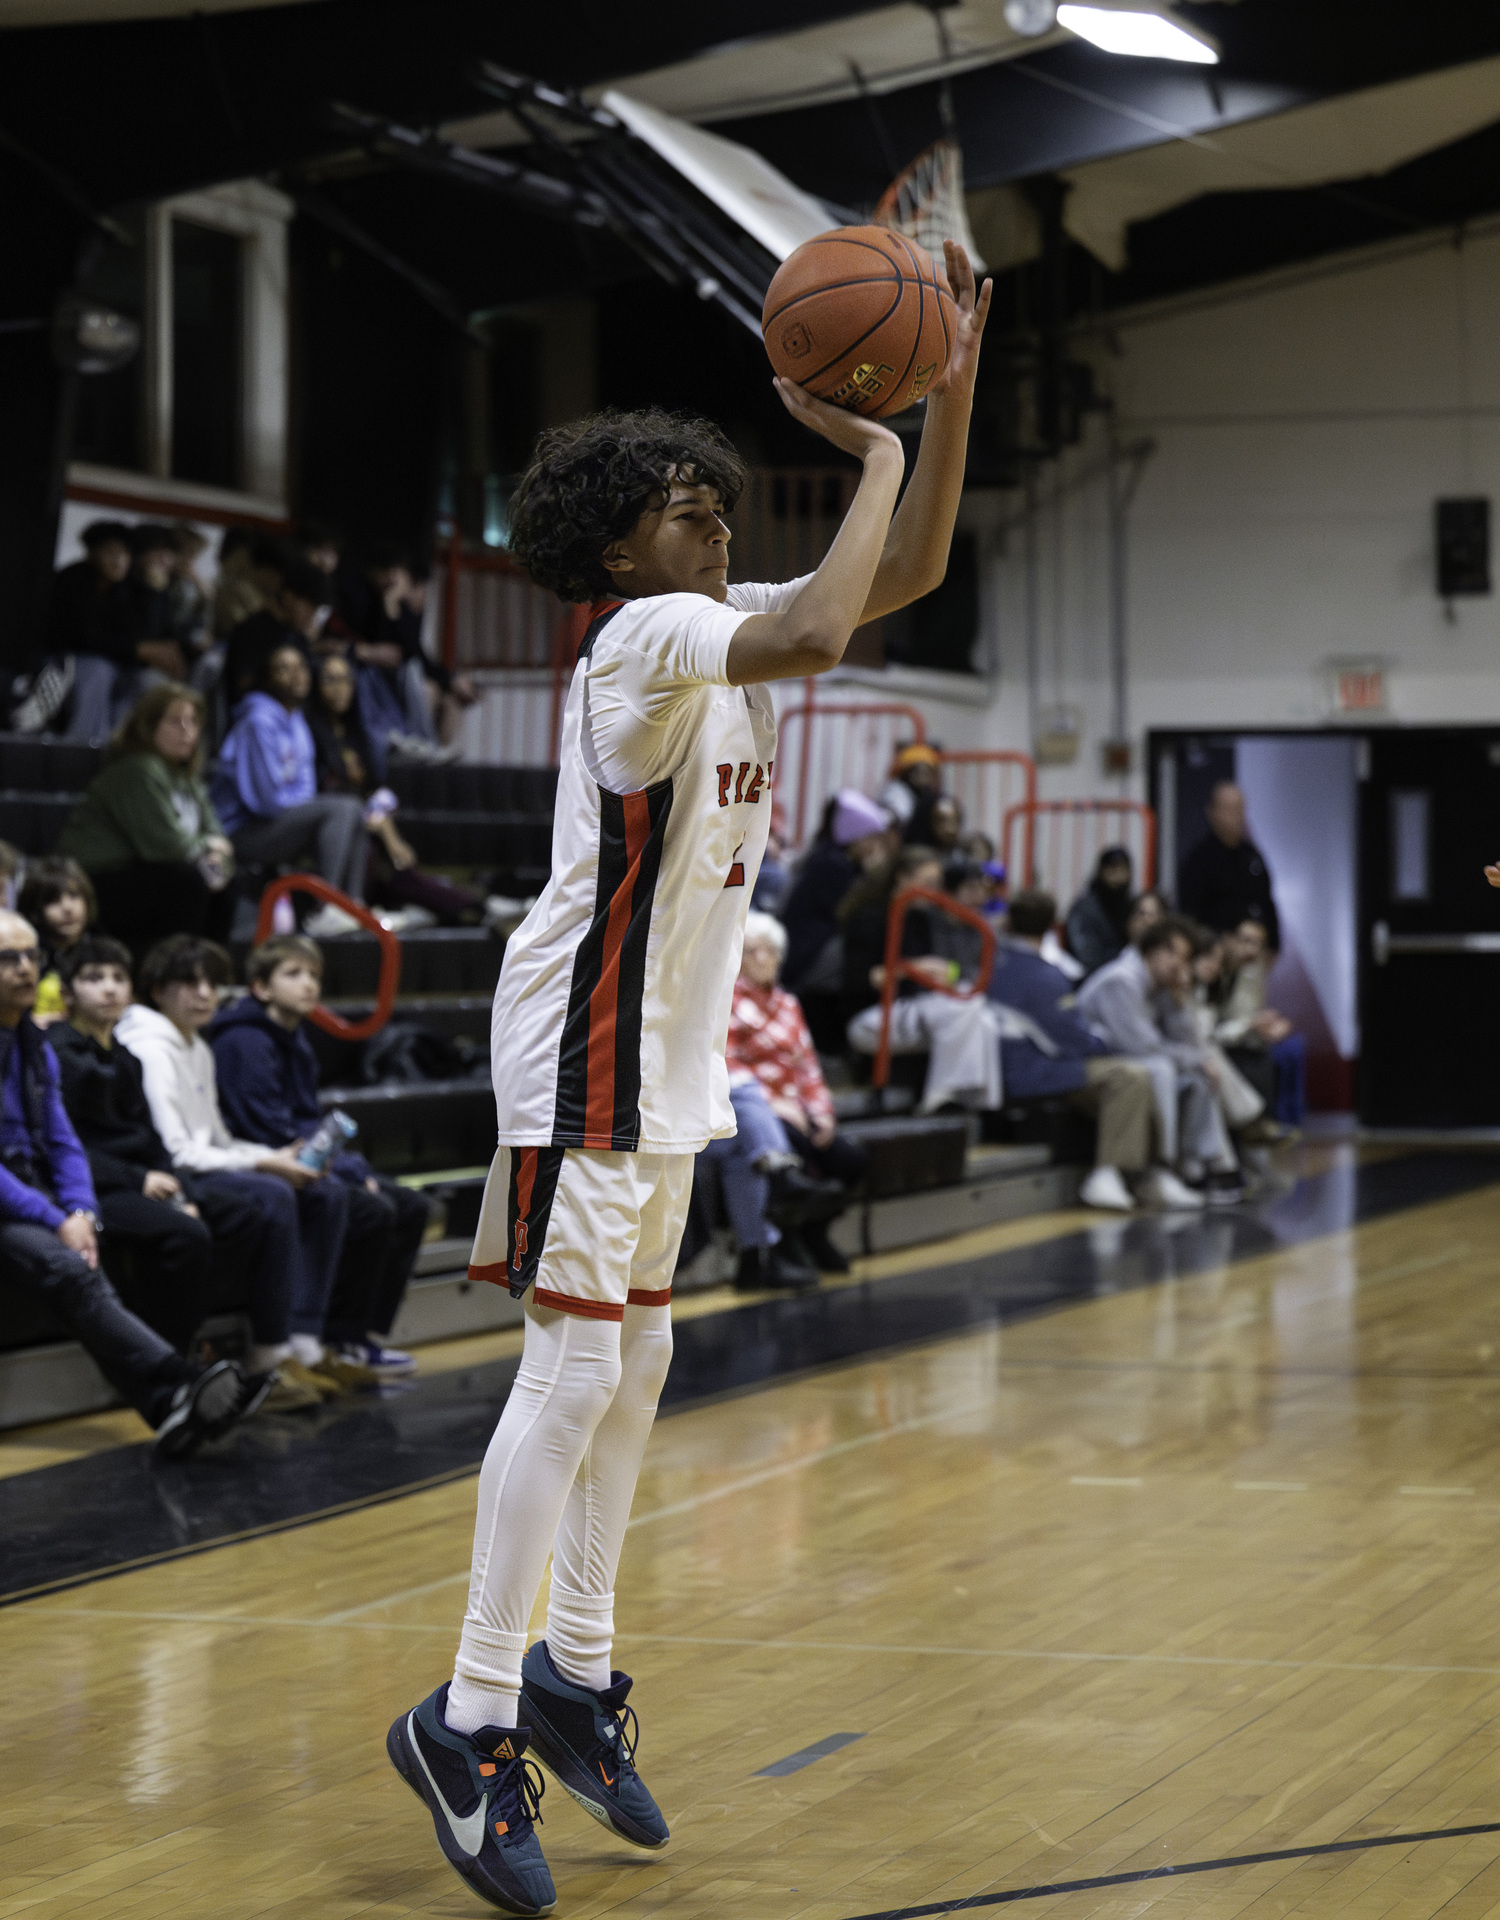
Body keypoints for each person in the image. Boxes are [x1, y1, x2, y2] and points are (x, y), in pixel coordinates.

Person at [385, 241, 992, 1917]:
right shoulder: (646, 634)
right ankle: (473, 1716)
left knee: (639, 1366)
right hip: (582, 1035)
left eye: (720, 503)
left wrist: (941, 401)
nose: (715, 523)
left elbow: (915, 568)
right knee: (573, 1379)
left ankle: (572, 1669)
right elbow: (817, 620)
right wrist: (866, 446)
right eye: (682, 505)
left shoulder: (704, 616)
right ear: (610, 544)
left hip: (664, 1046)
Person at [0, 908, 260, 1455]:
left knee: (89, 1256)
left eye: (31, 956)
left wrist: (83, 1212)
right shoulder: (47, 1043)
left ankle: (172, 1403)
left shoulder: (31, 1043)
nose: (25, 969)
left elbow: (64, 1142)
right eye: (8, 958)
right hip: (11, 1201)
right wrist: (58, 1219)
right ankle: (179, 1384)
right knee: (66, 1266)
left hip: (34, 1191)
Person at [115, 934, 372, 1401]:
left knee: (324, 1191)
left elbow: (217, 1138)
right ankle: (267, 1357)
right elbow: (179, 1151)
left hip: (205, 1161)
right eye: (189, 983)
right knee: (273, 1193)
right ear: (157, 991)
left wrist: (275, 1158)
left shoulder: (196, 1046)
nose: (204, 994)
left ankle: (305, 1342)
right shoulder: (151, 1048)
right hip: (171, 1174)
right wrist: (264, 1163)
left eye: (211, 983)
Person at [49, 935, 302, 1375]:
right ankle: (160, 1363)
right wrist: (137, 1180)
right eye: (94, 979)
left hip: (139, 1175)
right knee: (185, 1234)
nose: (109, 988)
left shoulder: (126, 1057)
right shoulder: (57, 1052)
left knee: (243, 1213)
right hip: (92, 1185)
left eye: (117, 978)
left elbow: (153, 1141)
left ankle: (203, 1345)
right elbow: (62, 1144)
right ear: (68, 993)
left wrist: (181, 1188)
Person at [210, 932, 425, 1376]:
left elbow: (307, 1119)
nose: (308, 984)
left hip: (302, 1154)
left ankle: (356, 1337)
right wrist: (344, 1171)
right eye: (293, 974)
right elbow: (266, 1128)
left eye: (314, 975)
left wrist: (350, 1164)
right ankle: (322, 1333)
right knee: (365, 1206)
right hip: (261, 1158)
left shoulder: (295, 1038)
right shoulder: (245, 1041)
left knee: (412, 1205)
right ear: (261, 987)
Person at [990, 891, 1201, 1211]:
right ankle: (1113, 1174)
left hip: (1016, 1065)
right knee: (1131, 1075)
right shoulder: (1045, 975)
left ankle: (1146, 1174)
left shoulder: (995, 964)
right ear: (1051, 927)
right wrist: (1100, 1043)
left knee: (1141, 1071)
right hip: (1032, 1070)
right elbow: (1073, 1040)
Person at [306, 652, 499, 928]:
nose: (340, 689)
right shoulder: (312, 733)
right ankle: (476, 906)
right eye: (330, 680)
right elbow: (333, 795)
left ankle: (476, 906)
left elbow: (376, 792)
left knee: (404, 875)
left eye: (346, 680)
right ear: (316, 685)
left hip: (368, 831)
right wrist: (390, 836)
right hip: (340, 833)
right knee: (393, 867)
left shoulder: (357, 733)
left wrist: (389, 833)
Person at [725, 911, 869, 1273]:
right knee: (787, 1146)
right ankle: (783, 1245)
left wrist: (822, 1112)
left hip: (798, 1108)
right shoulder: (726, 1000)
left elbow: (808, 1067)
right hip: (755, 1106)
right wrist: (773, 1102)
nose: (763, 959)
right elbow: (727, 1063)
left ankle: (814, 1232)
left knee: (851, 1160)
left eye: (770, 951)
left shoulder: (789, 1004)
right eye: (752, 951)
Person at [55, 680, 236, 955]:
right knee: (187, 880)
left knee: (222, 885)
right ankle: (174, 971)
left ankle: (208, 973)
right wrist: (208, 848)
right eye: (175, 721)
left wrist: (218, 865)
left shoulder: (187, 779)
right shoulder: (138, 769)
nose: (187, 731)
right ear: (149, 727)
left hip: (149, 876)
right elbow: (165, 846)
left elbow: (220, 840)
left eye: (193, 722)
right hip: (99, 881)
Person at [1076, 917, 1244, 1202]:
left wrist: (1179, 1001)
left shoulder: (1160, 986)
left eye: (1185, 957)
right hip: (1094, 1062)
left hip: (1126, 1060)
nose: (1178, 964)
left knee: (1197, 1078)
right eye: (1172, 952)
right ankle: (1155, 1169)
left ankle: (1197, 1167)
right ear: (1152, 950)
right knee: (1162, 1069)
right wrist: (1195, 1059)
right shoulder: (1121, 980)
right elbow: (1141, 1046)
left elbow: (1188, 1043)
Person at [212, 643, 368, 934]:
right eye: (284, 668)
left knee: (354, 809)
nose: (296, 675)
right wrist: (304, 808)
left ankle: (351, 905)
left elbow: (305, 784)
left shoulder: (296, 719)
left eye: (301, 667)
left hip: (278, 821)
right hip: (239, 832)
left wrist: (304, 807)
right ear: (268, 679)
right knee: (340, 808)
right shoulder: (257, 720)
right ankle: (325, 907)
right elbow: (264, 800)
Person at [842, 845, 1002, 1113]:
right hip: (870, 1014)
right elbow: (862, 979)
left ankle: (976, 1102)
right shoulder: (870, 917)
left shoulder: (919, 918)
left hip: (912, 1007)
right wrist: (914, 968)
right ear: (902, 877)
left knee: (983, 1017)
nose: (933, 891)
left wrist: (934, 972)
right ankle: (941, 1096)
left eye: (937, 884)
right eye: (927, 883)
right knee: (965, 1005)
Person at [1215, 917, 1305, 1127]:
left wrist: (1267, 1025)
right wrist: (1251, 1026)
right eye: (1245, 940)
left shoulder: (1253, 973)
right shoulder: (1215, 972)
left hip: (1240, 1040)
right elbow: (1212, 1027)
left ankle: (1262, 1127)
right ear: (1228, 940)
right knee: (1248, 1060)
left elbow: (1248, 1018)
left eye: (1257, 943)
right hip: (1217, 1044)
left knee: (1266, 1054)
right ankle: (1256, 1127)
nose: (1251, 950)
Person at [1177, 781, 1281, 947]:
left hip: (1256, 949)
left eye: (1240, 809)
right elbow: (1190, 914)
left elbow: (1267, 902)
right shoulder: (1199, 859)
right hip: (1216, 950)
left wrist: (1273, 945)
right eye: (1230, 809)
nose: (1238, 816)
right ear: (1212, 812)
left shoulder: (1251, 856)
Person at [222, 555, 324, 710]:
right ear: (289, 596)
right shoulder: (252, 630)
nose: (312, 615)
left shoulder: (298, 637)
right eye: (310, 606)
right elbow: (242, 685)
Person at [18, 856, 96, 1024]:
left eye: (74, 896)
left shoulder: (97, 949)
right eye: (53, 900)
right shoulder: (25, 958)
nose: (67, 908)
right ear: (35, 910)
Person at [1066, 846, 1135, 977]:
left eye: (1122, 869)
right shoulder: (1084, 909)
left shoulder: (1131, 906)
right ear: (1101, 871)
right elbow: (1086, 955)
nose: (1117, 875)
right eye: (1112, 868)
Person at [879, 740, 943, 841]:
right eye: (917, 770)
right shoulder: (895, 791)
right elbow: (891, 817)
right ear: (907, 772)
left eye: (926, 771)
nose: (922, 776)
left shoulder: (928, 795)